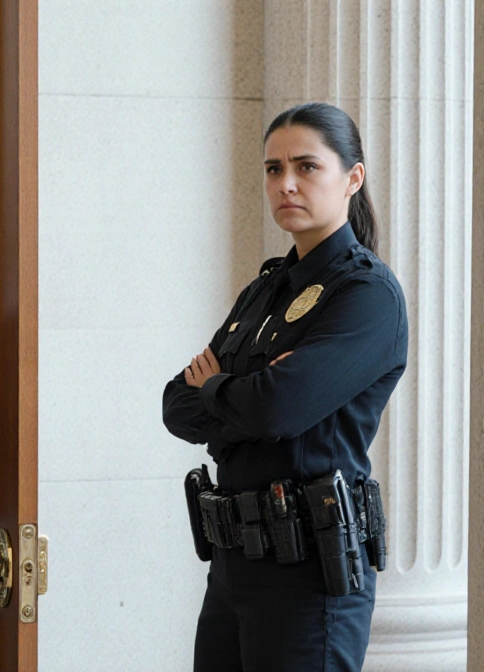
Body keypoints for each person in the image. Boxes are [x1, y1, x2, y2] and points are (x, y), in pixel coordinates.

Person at [162, 102, 408, 671]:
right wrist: (238, 391)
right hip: (232, 568)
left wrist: (223, 388)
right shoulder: (266, 288)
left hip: (308, 577)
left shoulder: (367, 296)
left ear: (353, 178)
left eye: (306, 167)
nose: (286, 184)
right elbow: (177, 404)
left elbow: (276, 410)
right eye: (273, 169)